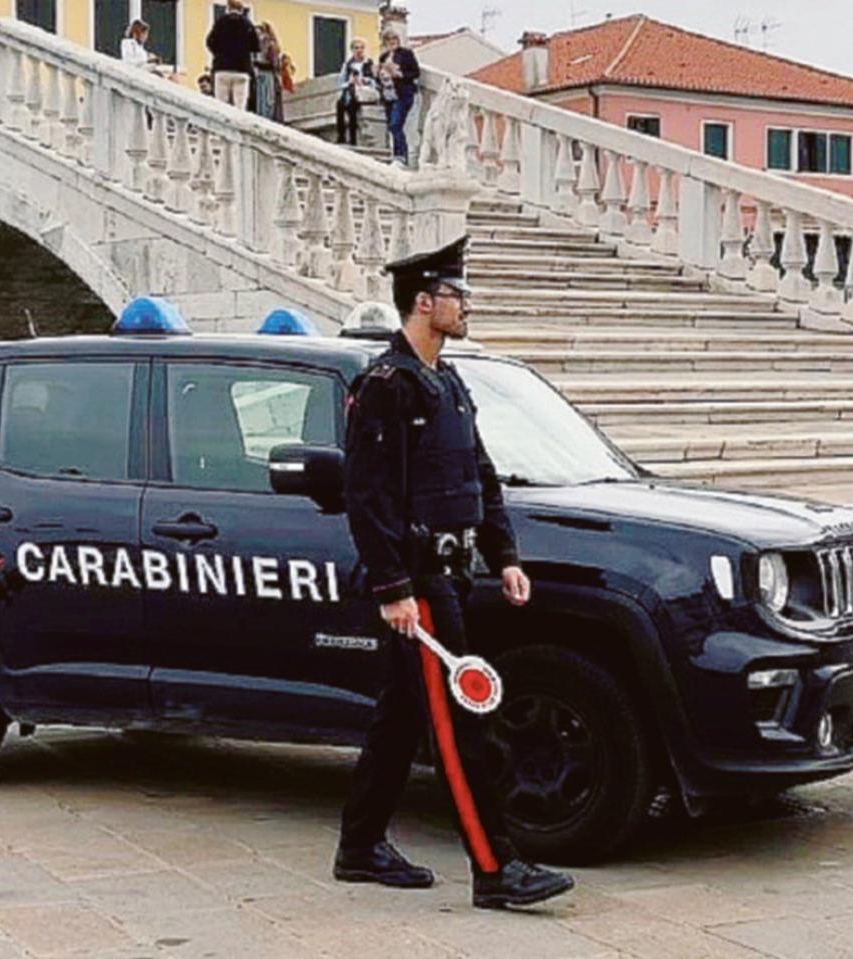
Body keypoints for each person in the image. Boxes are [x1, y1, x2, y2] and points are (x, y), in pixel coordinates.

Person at [335, 236, 575, 910]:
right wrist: (393, 587)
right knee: (460, 722)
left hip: (452, 570)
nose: (466, 304)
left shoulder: (447, 379)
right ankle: (495, 868)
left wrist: (504, 555)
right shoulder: (386, 385)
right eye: (456, 293)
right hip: (418, 581)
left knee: (401, 717)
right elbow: (369, 495)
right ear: (422, 301)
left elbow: (481, 474)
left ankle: (359, 846)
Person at [205, 0, 259, 109]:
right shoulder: (247, 24)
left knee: (221, 106)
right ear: (241, 9)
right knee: (240, 106)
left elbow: (210, 42)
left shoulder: (220, 22)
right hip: (242, 69)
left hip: (222, 68)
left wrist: (218, 54)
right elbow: (255, 46)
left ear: (228, 8)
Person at [377, 30, 420, 165]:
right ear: (385, 42)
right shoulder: (383, 57)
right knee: (393, 126)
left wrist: (400, 74)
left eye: (394, 39)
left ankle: (400, 156)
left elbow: (415, 72)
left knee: (396, 124)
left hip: (402, 94)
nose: (392, 41)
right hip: (388, 95)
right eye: (389, 39)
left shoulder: (406, 54)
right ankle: (399, 154)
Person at [337, 37, 376, 145]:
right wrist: (349, 82)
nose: (359, 50)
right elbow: (340, 82)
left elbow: (375, 81)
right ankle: (341, 136)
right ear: (352, 50)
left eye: (362, 48)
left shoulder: (369, 63)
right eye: (356, 48)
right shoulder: (347, 65)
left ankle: (353, 139)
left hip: (365, 93)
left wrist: (364, 80)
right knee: (340, 104)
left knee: (352, 106)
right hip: (351, 91)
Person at [252, 22, 281, 121]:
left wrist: (257, 63)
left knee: (267, 100)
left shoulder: (270, 45)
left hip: (268, 75)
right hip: (260, 75)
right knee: (261, 100)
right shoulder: (257, 46)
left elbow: (273, 64)